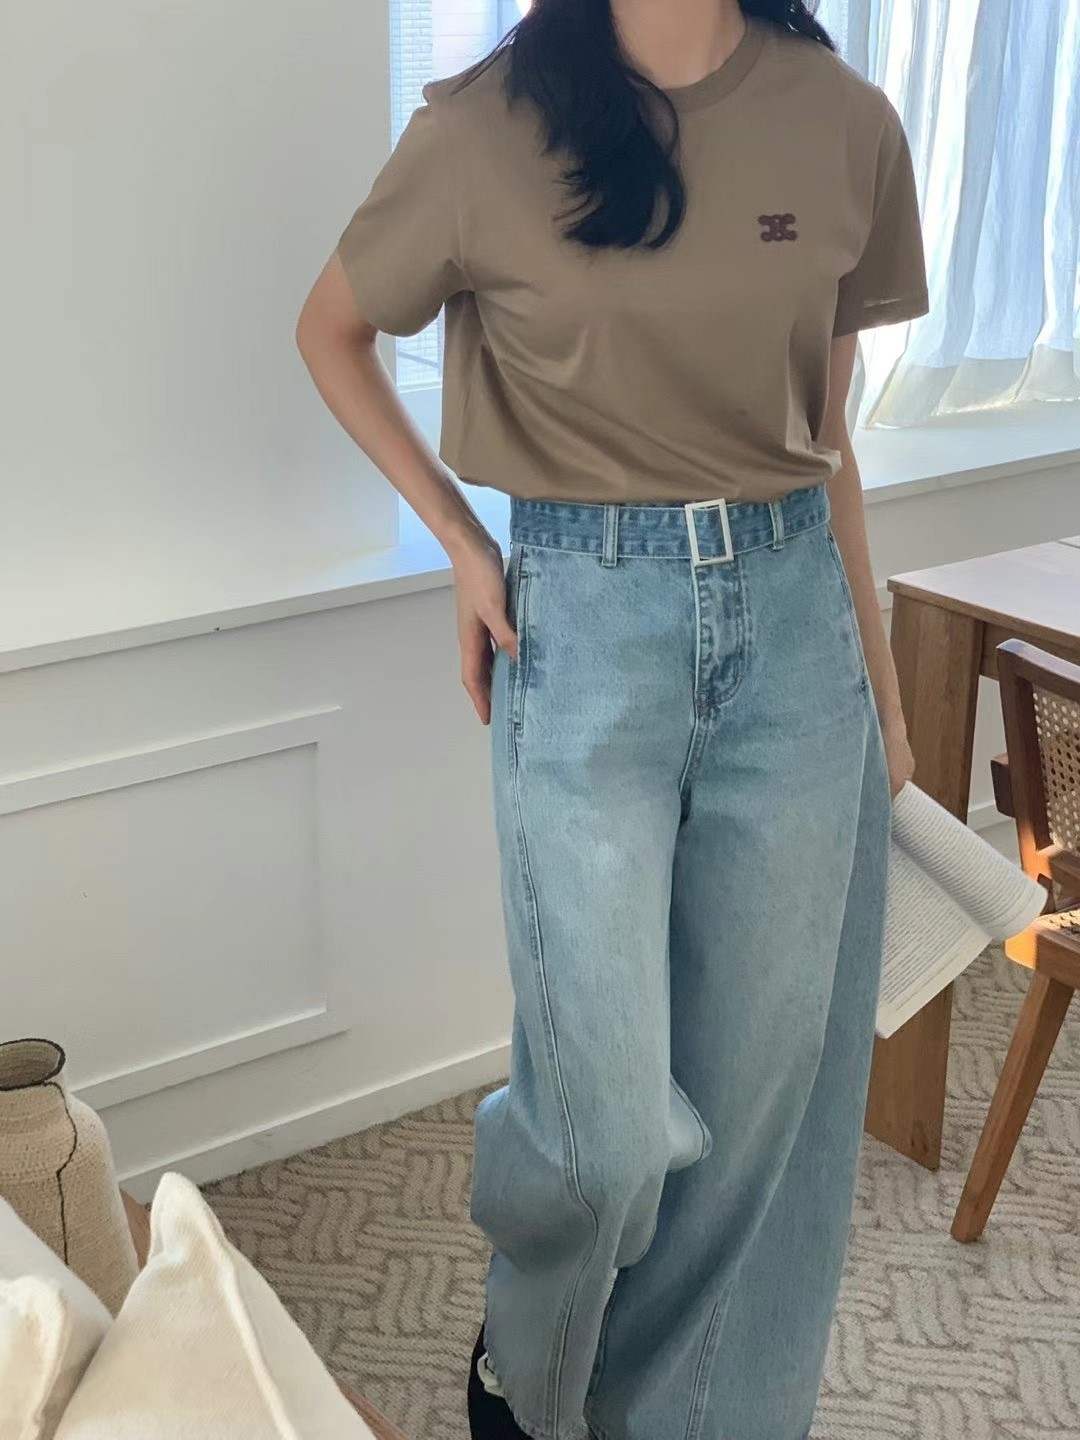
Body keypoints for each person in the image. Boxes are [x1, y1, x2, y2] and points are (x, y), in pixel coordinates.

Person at [296, 1, 929, 1436]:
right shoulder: (483, 125)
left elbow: (827, 445)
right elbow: (331, 330)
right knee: (609, 1133)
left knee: (759, 1119)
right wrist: (466, 545)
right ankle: (530, 1358)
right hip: (584, 624)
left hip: (794, 631)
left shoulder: (842, 120)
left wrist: (882, 701)